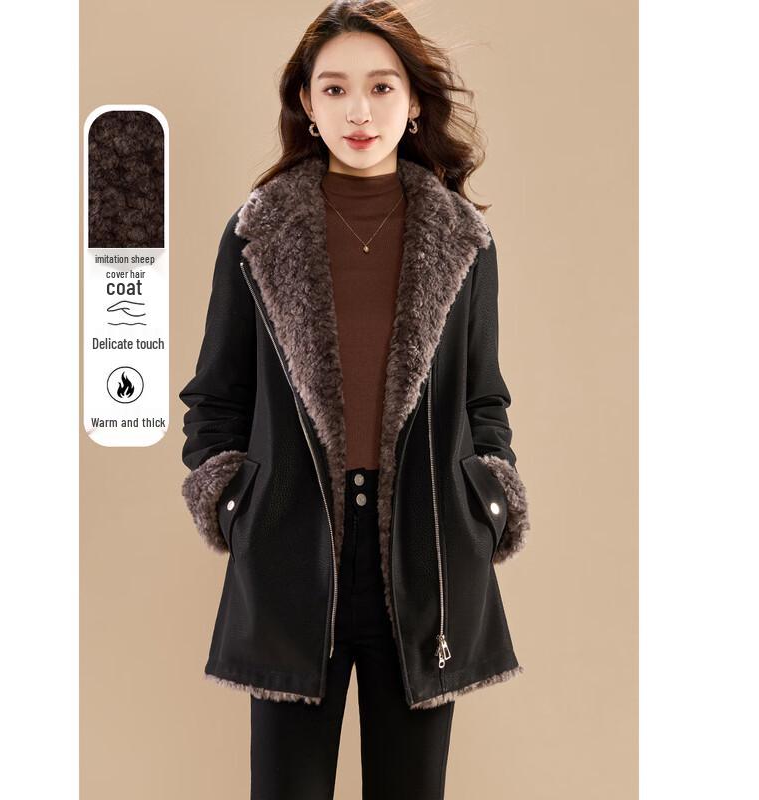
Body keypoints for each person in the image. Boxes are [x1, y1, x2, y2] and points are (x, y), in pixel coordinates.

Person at [179, 2, 530, 797]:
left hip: (427, 558)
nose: (359, 112)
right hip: (288, 556)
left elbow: (485, 400)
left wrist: (489, 505)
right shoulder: (257, 232)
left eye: (381, 86)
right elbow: (216, 398)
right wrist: (232, 506)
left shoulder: (463, 240)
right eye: (334, 89)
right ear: (306, 103)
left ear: (414, 102)